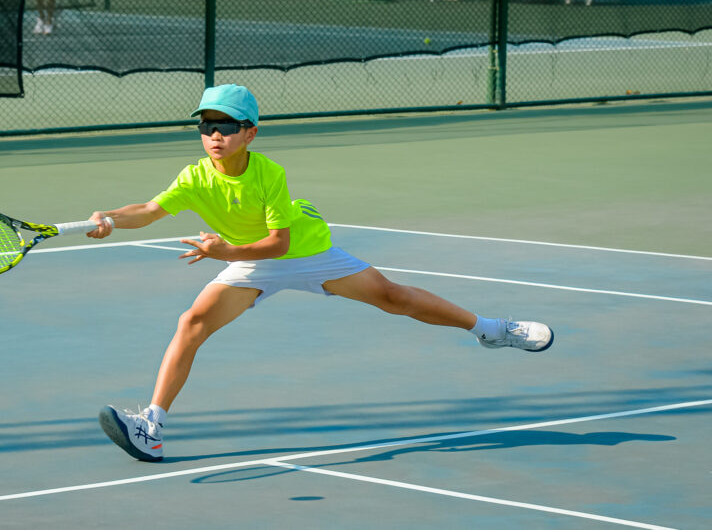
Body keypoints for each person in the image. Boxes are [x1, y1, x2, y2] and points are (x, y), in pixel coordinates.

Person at [86, 84, 554, 462]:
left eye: (225, 126)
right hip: (249, 261)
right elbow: (148, 210)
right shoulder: (194, 177)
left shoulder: (269, 174)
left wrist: (227, 250)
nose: (214, 135)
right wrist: (110, 217)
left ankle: (492, 330)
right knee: (192, 322)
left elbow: (279, 243)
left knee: (394, 298)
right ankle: (151, 427)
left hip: (306, 251)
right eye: (206, 126)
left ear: (249, 134)